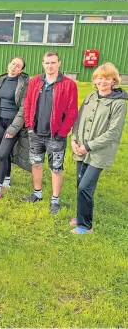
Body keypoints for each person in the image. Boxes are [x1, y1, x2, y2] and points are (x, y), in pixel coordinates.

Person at [70, 63, 127, 234]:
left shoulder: (119, 103)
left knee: (85, 187)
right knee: (81, 184)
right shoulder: (90, 97)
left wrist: (87, 147)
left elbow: (113, 132)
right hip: (80, 148)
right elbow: (78, 120)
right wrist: (74, 139)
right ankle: (81, 216)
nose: (103, 81)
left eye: (107, 78)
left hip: (98, 152)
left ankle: (86, 226)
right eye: (99, 78)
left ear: (114, 81)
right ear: (94, 80)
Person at [23, 51, 78, 214]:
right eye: (47, 63)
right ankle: (37, 193)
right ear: (43, 64)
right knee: (36, 163)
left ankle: (55, 200)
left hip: (56, 135)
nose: (50, 66)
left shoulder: (68, 84)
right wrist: (29, 126)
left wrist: (62, 132)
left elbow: (72, 112)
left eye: (53, 62)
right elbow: (28, 104)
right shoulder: (35, 82)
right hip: (36, 133)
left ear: (59, 63)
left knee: (56, 168)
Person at [0, 57, 30, 201]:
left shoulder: (23, 84)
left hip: (13, 124)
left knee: (3, 154)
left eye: (18, 66)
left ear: (21, 70)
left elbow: (24, 108)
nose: (14, 67)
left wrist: (13, 128)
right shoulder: (1, 80)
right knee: (3, 153)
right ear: (8, 64)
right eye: (13, 64)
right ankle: (6, 181)